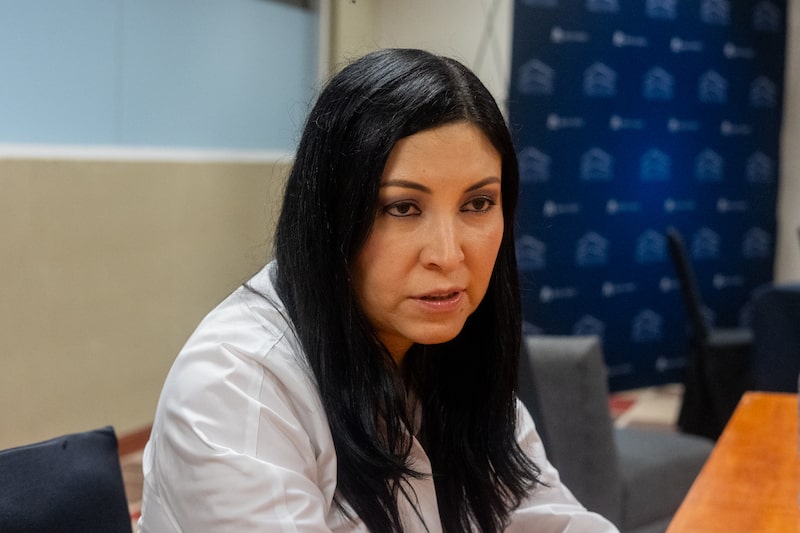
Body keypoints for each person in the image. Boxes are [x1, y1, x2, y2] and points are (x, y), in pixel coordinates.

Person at [138, 48, 618, 532]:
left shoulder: (447, 350)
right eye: (403, 208)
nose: (449, 255)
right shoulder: (237, 388)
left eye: (477, 203)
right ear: (332, 216)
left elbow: (547, 519)